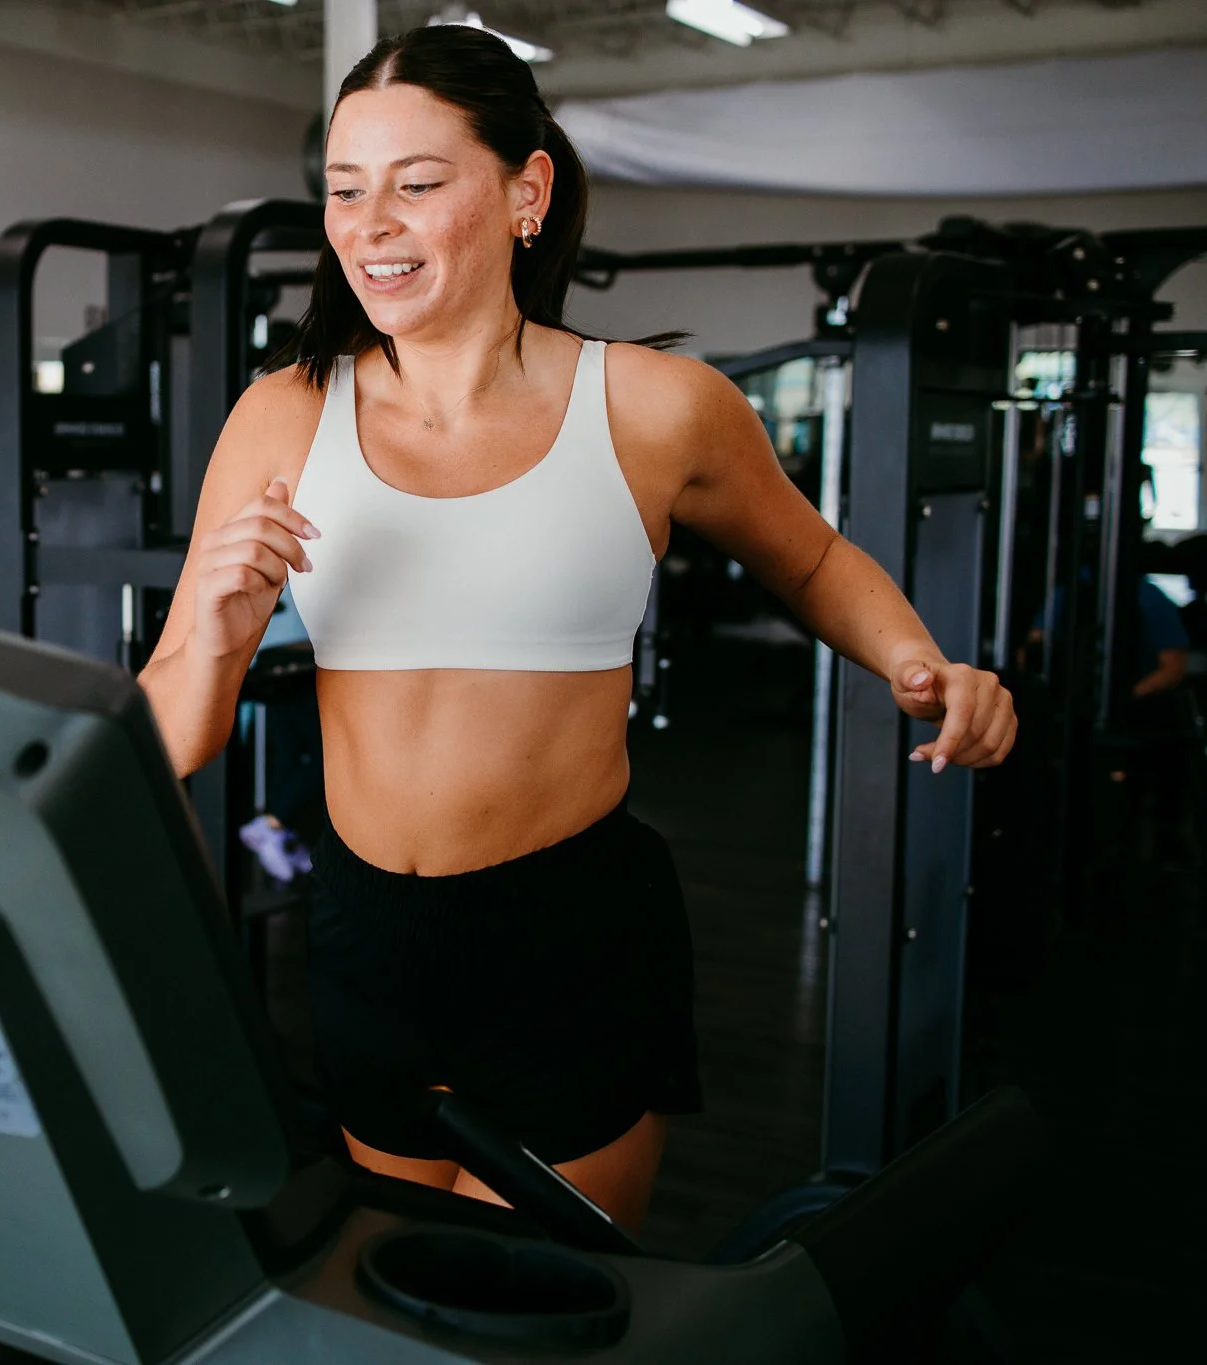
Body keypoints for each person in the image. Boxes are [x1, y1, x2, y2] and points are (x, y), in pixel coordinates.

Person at [136, 25, 1017, 1233]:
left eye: (417, 183)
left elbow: (807, 556)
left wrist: (918, 662)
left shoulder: (654, 407)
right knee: (397, 1280)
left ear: (524, 192)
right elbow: (167, 735)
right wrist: (220, 624)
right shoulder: (283, 413)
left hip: (564, 934)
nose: (368, 224)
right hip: (363, 935)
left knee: (559, 1306)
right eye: (344, 190)